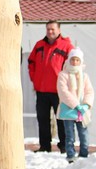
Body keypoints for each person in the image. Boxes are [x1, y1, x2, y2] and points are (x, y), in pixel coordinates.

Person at [27, 20, 73, 153]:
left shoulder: (66, 46)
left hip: (59, 90)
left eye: (52, 29)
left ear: (59, 30)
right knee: (42, 118)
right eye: (48, 29)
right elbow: (31, 62)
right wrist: (34, 79)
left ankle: (64, 145)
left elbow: (72, 67)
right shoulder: (39, 45)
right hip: (41, 89)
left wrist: (67, 84)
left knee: (61, 118)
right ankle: (45, 146)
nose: (50, 32)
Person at [57, 48, 94, 163]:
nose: (75, 62)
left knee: (83, 135)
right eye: (73, 59)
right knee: (69, 135)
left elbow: (89, 91)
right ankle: (71, 156)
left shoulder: (84, 76)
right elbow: (63, 92)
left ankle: (84, 154)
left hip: (81, 111)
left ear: (81, 61)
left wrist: (86, 105)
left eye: (77, 60)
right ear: (69, 60)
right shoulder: (63, 75)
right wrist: (75, 104)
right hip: (68, 110)